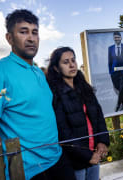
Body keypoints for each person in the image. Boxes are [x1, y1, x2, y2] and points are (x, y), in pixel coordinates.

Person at [0, 9, 76, 180]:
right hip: (25, 169)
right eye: (23, 32)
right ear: (9, 38)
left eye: (35, 32)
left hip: (56, 158)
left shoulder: (39, 72)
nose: (31, 38)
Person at [47, 47, 110, 180]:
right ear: (56, 69)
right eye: (65, 62)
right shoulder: (55, 95)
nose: (71, 65)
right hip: (75, 160)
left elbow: (98, 116)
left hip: (94, 153)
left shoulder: (84, 87)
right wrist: (87, 156)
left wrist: (102, 141)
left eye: (73, 60)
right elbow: (63, 132)